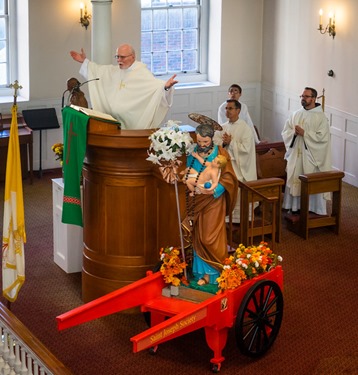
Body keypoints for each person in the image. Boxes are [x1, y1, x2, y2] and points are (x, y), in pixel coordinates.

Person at [69, 44, 178, 129]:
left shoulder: (141, 72)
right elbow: (98, 71)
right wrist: (84, 62)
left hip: (133, 123)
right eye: (117, 56)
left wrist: (166, 86)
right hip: (113, 123)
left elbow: (156, 88)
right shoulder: (114, 71)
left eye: (122, 57)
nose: (119, 60)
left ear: (133, 57)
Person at [182, 124, 238, 286]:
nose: (203, 144)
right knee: (198, 235)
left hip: (214, 200)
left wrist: (215, 190)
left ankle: (214, 272)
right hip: (197, 200)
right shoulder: (193, 153)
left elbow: (229, 178)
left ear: (212, 138)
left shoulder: (221, 153)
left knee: (209, 237)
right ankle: (201, 273)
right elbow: (189, 171)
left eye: (206, 141)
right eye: (199, 141)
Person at [282, 87, 332, 215]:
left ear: (314, 98)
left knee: (308, 178)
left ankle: (314, 208)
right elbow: (285, 131)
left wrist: (305, 134)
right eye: (302, 96)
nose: (303, 98)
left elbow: (323, 138)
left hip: (311, 156)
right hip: (296, 154)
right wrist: (293, 133)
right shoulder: (296, 114)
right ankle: (293, 206)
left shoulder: (321, 117)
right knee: (295, 176)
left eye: (306, 96)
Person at [214, 99, 257, 223]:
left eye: (230, 108)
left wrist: (231, 143)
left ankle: (240, 219)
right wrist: (223, 142)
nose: (227, 111)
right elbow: (216, 144)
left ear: (238, 110)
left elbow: (246, 149)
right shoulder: (222, 127)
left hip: (240, 168)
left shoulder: (245, 129)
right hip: (225, 167)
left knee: (237, 186)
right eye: (226, 109)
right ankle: (226, 217)